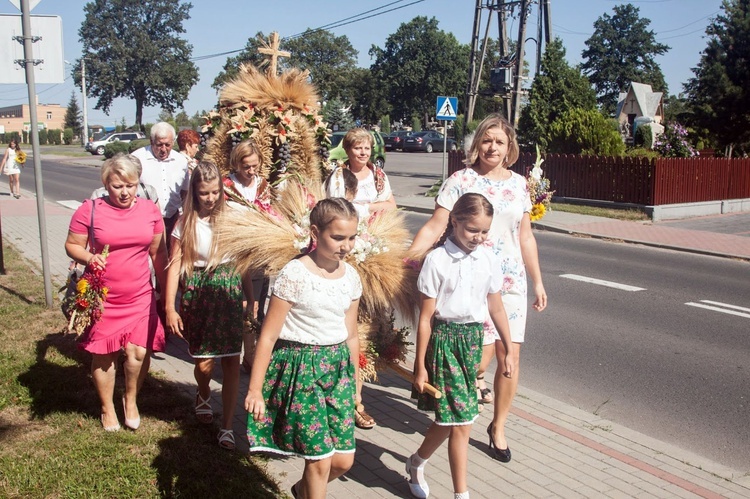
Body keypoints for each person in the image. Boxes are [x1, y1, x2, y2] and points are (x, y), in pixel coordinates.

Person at [410, 114, 547, 463]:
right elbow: (436, 224)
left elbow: (525, 236)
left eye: (499, 142)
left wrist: (538, 281)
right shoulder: (460, 180)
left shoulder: (519, 185)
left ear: (509, 147)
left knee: (510, 356)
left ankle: (498, 426)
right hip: (468, 280)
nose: (492, 147)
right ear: (477, 144)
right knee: (478, 360)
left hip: (510, 281)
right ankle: (460, 409)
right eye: (487, 140)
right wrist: (410, 256)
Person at [245, 198, 362, 499]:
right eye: (337, 237)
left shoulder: (350, 277)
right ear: (315, 232)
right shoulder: (294, 275)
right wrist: (255, 389)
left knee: (343, 461)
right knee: (320, 461)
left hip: (338, 372)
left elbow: (351, 334)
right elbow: (268, 336)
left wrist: (357, 385)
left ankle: (301, 491)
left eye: (351, 237)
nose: (346, 246)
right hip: (302, 370)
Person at [407, 193, 515, 499]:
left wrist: (507, 350)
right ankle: (461, 494)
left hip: (472, 342)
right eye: (472, 230)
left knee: (452, 417)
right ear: (454, 221)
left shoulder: (488, 258)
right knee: (462, 423)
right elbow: (426, 318)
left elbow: (495, 309)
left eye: (484, 232)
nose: (478, 238)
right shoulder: (437, 260)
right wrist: (420, 366)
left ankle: (416, 462)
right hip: (444, 342)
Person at [64, 154, 168, 432]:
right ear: (106, 185)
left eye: (130, 185)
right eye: (117, 186)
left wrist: (167, 293)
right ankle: (107, 408)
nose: (125, 192)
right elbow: (72, 245)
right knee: (105, 355)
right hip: (103, 298)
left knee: (137, 352)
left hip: (139, 295)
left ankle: (130, 399)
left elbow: (159, 252)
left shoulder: (149, 210)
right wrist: (88, 257)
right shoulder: (90, 209)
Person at [164, 161, 249, 450]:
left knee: (231, 362)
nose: (210, 198)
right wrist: (169, 307)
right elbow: (174, 265)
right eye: (203, 193)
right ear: (194, 193)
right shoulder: (184, 223)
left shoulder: (233, 217)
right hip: (198, 293)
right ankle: (203, 393)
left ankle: (227, 425)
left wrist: (250, 298)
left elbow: (243, 262)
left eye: (215, 192)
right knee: (203, 364)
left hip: (229, 291)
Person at [323, 128, 396, 429]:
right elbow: (336, 210)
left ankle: (356, 399)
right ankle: (344, 397)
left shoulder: (378, 176)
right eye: (357, 148)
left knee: (365, 329)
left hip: (372, 253)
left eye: (366, 148)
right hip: (345, 252)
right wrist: (369, 209)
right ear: (348, 150)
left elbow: (391, 206)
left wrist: (363, 208)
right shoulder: (338, 177)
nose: (363, 153)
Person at [222, 139, 271, 373]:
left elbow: (270, 213)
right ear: (236, 164)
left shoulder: (262, 185)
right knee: (241, 304)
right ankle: (239, 354)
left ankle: (251, 357)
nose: (251, 171)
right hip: (234, 253)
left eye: (254, 166)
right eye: (246, 167)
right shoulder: (226, 186)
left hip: (258, 253)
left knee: (256, 305)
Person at [132, 122, 189, 241]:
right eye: (159, 145)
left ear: (173, 142)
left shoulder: (181, 161)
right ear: (151, 141)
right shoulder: (137, 159)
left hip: (172, 220)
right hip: (144, 221)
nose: (163, 149)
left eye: (167, 145)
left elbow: (184, 192)